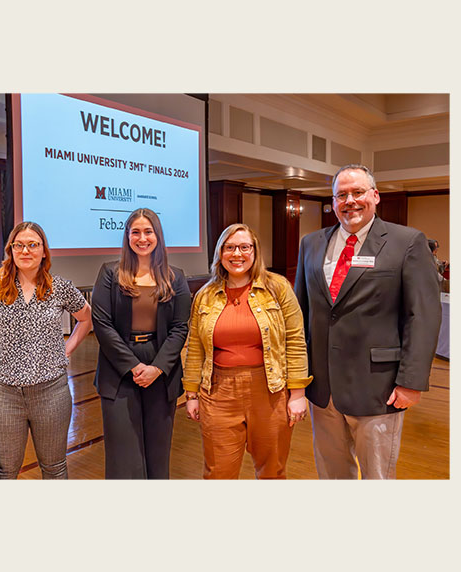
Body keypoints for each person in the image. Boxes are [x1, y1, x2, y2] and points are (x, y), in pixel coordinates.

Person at [294, 164, 441, 479]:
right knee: (332, 475)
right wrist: (297, 377)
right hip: (322, 387)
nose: (350, 201)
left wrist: (411, 381)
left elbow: (423, 315)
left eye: (358, 192)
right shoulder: (311, 243)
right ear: (333, 203)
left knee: (376, 477)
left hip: (379, 386)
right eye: (341, 195)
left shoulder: (407, 242)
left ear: (374, 196)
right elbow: (300, 315)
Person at [182, 223, 312, 479]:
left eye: (244, 247)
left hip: (270, 391)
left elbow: (296, 340)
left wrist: (297, 394)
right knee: (218, 473)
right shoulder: (205, 295)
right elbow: (195, 347)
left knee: (272, 471)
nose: (237, 254)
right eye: (229, 247)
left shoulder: (278, 287)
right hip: (218, 393)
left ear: (255, 251)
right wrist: (191, 394)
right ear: (220, 253)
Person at [0, 221, 92, 479]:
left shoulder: (59, 287)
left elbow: (86, 319)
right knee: (5, 471)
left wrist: (66, 350)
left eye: (33, 245)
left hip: (51, 393)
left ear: (44, 251)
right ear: (11, 250)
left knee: (54, 468)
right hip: (5, 395)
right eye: (19, 245)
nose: (25, 251)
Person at [91, 208, 191, 479]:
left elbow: (180, 328)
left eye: (148, 231)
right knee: (124, 457)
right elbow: (102, 325)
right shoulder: (110, 273)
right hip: (118, 369)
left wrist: (157, 368)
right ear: (127, 236)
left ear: (158, 236)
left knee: (158, 453)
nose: (142, 238)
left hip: (162, 368)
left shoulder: (176, 277)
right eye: (136, 232)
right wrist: (134, 366)